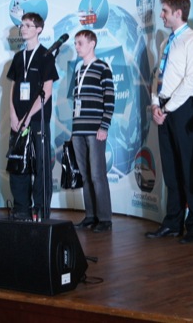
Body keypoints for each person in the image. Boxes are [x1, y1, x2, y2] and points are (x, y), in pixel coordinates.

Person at [145, 0, 193, 244]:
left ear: (178, 13)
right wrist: (155, 104)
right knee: (170, 170)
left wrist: (167, 108)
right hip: (164, 109)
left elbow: (191, 82)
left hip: (182, 109)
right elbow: (158, 76)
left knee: (189, 169)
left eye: (165, 11)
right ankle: (173, 223)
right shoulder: (166, 43)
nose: (161, 15)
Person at [7, 12, 59, 220]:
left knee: (40, 166)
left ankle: (40, 209)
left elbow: (47, 90)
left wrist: (28, 117)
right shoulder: (18, 57)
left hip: (37, 120)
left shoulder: (46, 56)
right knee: (18, 163)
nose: (23, 28)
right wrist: (13, 115)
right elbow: (13, 88)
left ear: (39, 29)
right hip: (17, 122)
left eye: (28, 25)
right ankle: (21, 208)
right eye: (22, 25)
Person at [70, 30, 115, 233]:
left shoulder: (102, 68)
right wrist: (73, 129)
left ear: (92, 44)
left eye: (80, 43)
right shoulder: (79, 69)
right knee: (85, 175)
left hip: (95, 130)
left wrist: (104, 126)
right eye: (75, 43)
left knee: (97, 175)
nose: (77, 47)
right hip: (78, 130)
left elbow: (109, 99)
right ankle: (90, 215)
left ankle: (105, 218)